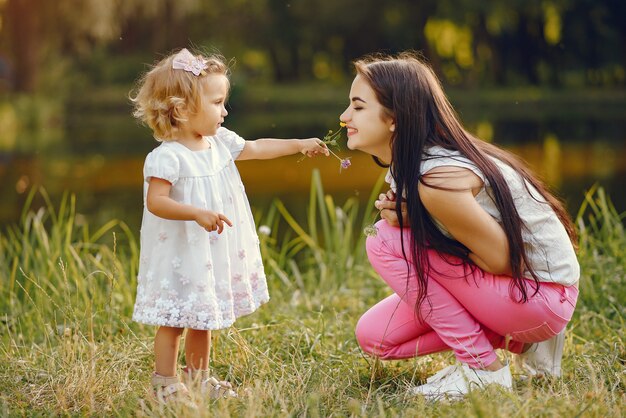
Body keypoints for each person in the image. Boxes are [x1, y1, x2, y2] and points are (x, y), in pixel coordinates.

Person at [340, 52, 579, 400]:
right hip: (521, 298)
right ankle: (523, 344)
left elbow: (500, 260)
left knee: (383, 239)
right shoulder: (421, 165)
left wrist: (417, 223)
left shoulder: (437, 180)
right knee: (376, 336)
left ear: (394, 118)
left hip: (541, 296)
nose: (345, 116)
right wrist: (417, 219)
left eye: (358, 107)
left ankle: (483, 369)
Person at [130, 48, 328, 402]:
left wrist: (299, 144)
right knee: (175, 319)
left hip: (210, 250)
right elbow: (156, 202)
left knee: (205, 316)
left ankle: (197, 377)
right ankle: (165, 382)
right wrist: (195, 212)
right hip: (182, 250)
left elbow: (256, 147)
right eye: (217, 102)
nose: (224, 111)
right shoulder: (167, 155)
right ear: (182, 108)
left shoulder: (219, 142)